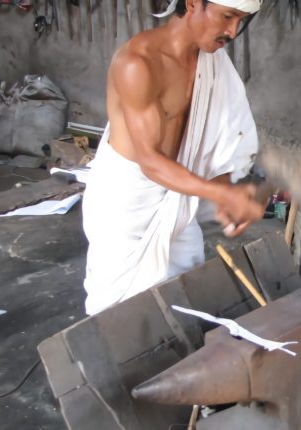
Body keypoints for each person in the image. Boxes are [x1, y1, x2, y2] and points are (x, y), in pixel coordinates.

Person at [82, 0, 266, 315]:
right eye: (228, 16)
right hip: (126, 203)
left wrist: (225, 190)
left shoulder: (213, 64)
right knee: (122, 316)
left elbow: (216, 137)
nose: (233, 31)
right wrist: (220, 192)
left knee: (187, 293)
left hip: (177, 195)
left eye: (242, 21)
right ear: (193, 3)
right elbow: (150, 161)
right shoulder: (138, 63)